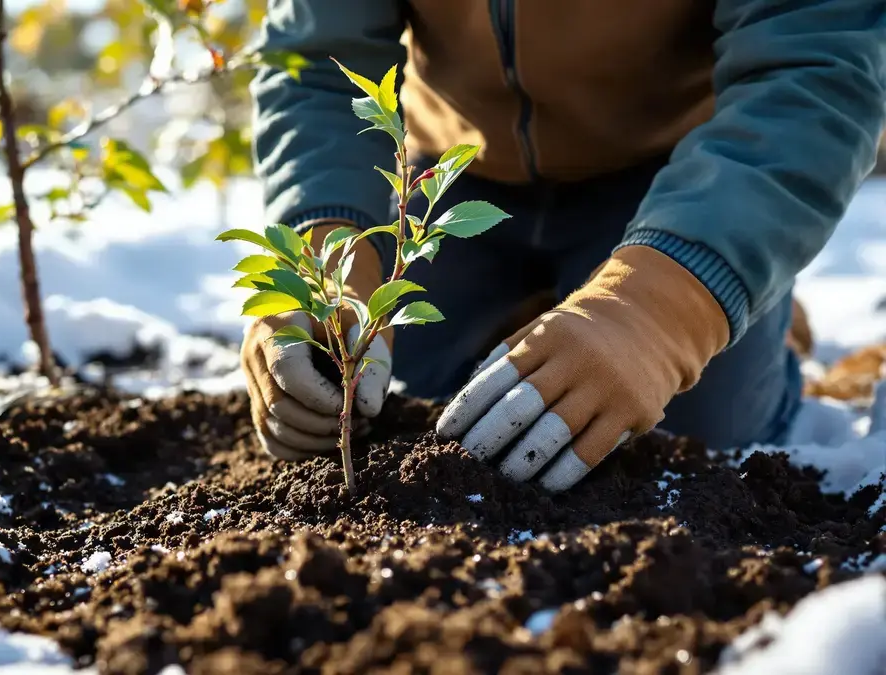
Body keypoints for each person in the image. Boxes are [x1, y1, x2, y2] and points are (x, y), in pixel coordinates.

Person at [239, 0, 886, 490]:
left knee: (697, 442)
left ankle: (741, 292)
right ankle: (550, 312)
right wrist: (321, 258)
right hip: (456, 182)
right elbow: (317, 65)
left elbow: (811, 67)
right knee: (373, 400)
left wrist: (661, 310)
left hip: (674, 180)